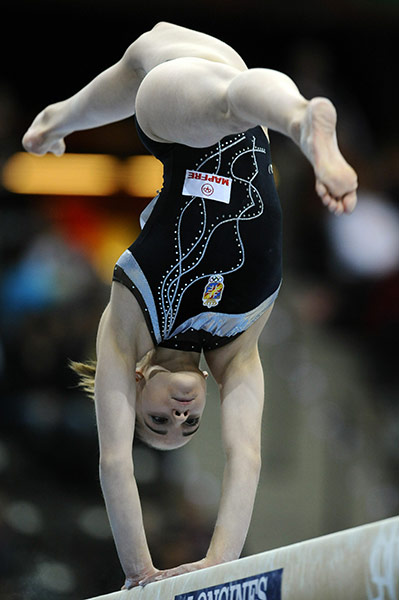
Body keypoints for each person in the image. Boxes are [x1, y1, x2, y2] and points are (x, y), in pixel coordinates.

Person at [22, 22, 358, 591]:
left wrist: (140, 571)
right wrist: (219, 561)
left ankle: (304, 121)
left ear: (134, 383)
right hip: (241, 101)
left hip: (180, 122)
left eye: (158, 419)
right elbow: (245, 457)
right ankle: (60, 120)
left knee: (157, 70)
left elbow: (114, 463)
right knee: (211, 92)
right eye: (189, 423)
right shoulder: (238, 350)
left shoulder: (128, 324)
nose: (180, 412)